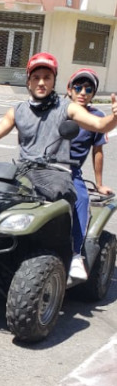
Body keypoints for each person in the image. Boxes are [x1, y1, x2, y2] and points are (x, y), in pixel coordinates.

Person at [0, 52, 117, 280]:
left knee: (76, 200)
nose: (42, 82)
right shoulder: (18, 110)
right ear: (29, 81)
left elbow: (99, 125)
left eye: (47, 77)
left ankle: (75, 255)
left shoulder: (67, 108)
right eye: (37, 77)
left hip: (56, 172)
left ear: (54, 81)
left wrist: (113, 117)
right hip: (23, 171)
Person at [66, 68, 113, 280]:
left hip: (70, 170)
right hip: (40, 166)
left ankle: (76, 254)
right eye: (78, 87)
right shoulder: (58, 108)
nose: (82, 92)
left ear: (93, 93)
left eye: (88, 88)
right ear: (69, 89)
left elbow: (98, 151)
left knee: (82, 200)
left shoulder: (96, 116)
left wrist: (99, 184)